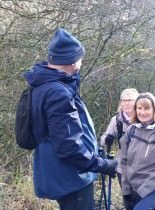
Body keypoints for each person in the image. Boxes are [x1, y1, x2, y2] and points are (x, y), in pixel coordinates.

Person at [24, 28, 117, 209]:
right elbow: (69, 146)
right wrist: (102, 164)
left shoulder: (44, 84)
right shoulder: (57, 92)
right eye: (80, 57)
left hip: (61, 172)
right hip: (70, 176)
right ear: (73, 61)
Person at [120, 92, 155, 210]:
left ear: (154, 109)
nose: (142, 112)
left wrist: (143, 191)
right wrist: (126, 189)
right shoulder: (131, 130)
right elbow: (123, 161)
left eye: (147, 108)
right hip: (134, 184)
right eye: (139, 108)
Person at [100, 88, 139, 186]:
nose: (126, 103)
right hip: (123, 166)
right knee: (127, 197)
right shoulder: (117, 120)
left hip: (142, 165)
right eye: (123, 100)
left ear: (137, 102)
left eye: (130, 100)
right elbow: (103, 140)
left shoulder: (143, 117)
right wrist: (107, 139)